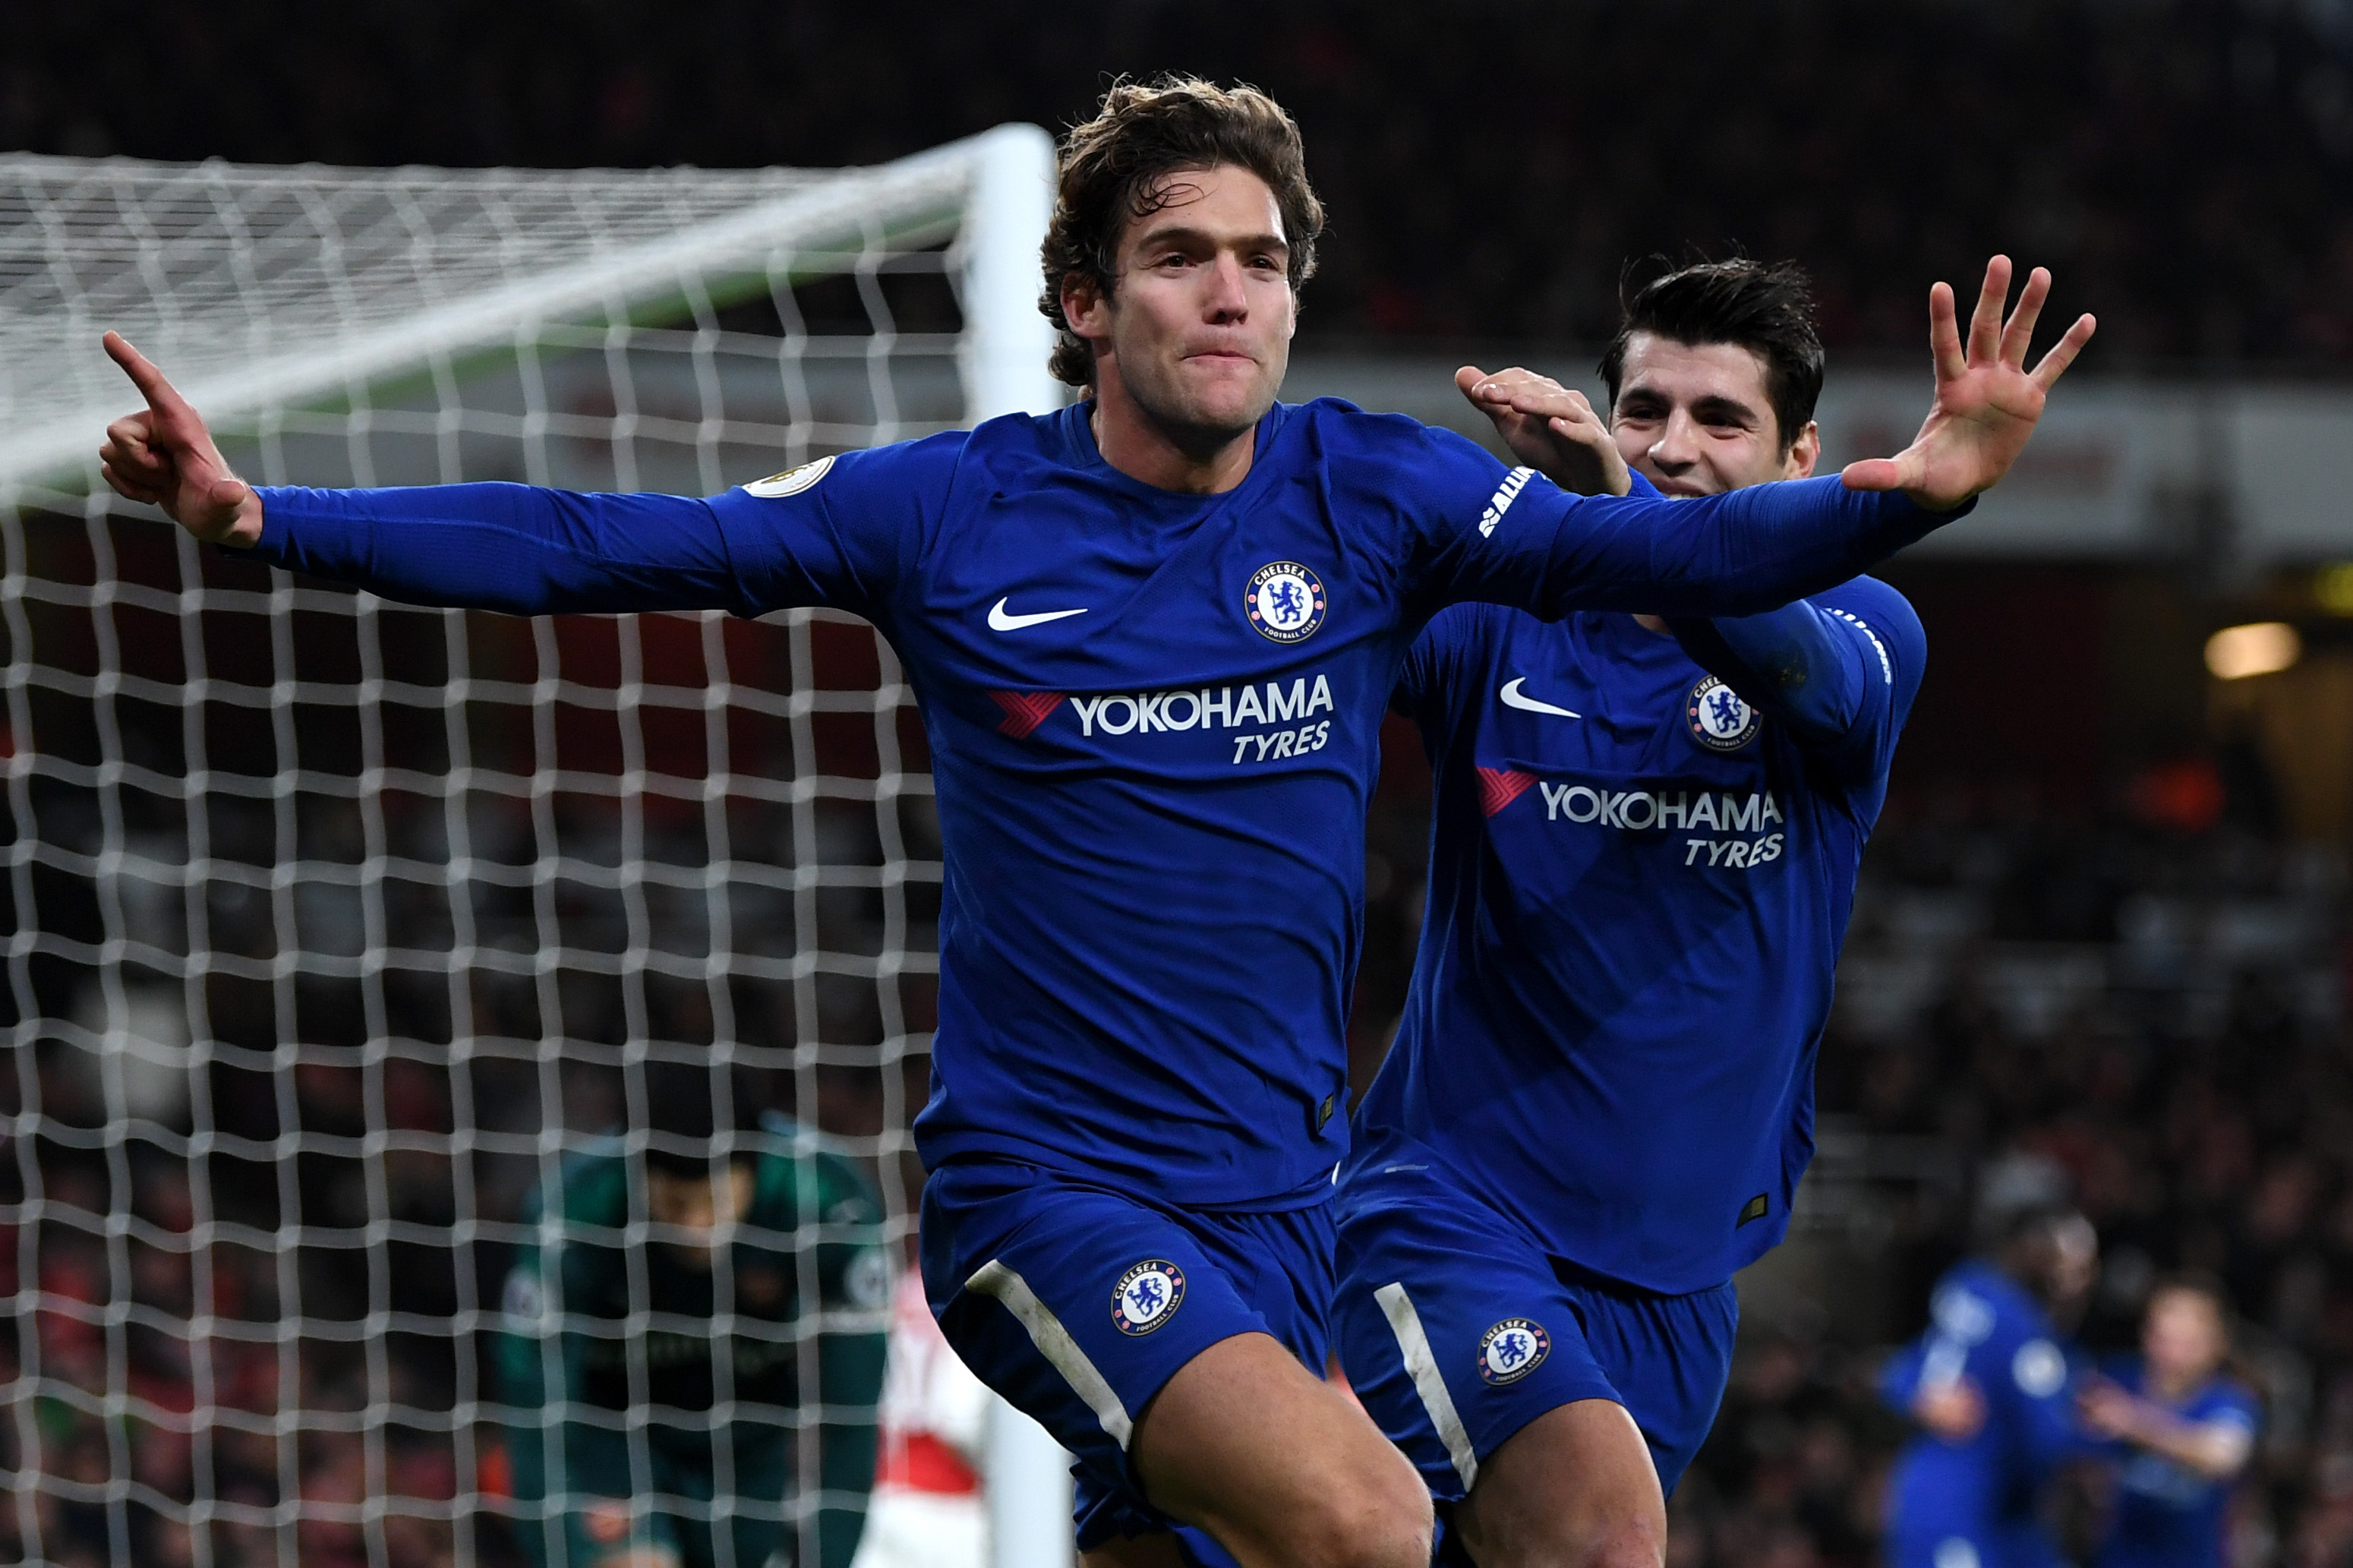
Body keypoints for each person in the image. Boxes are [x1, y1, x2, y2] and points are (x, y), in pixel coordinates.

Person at [97, 75, 2093, 1568]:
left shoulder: (1376, 500)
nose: (1228, 294)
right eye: (1177, 255)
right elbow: (610, 541)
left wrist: (1911, 494)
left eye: (1260, 260)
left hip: (1279, 1219)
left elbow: (1675, 553)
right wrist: (271, 518)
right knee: (1382, 1527)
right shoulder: (954, 513)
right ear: (1081, 297)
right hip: (1053, 1193)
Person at [1329, 255, 1926, 1568]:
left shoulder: (1863, 626)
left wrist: (1621, 529)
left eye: (1719, 420)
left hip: (1672, 1282)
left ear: (1800, 456)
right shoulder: (1495, 630)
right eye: (1643, 410)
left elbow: (1791, 667)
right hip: (1447, 1212)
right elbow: (1312, 622)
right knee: (1605, 1542)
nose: (1670, 446)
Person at [490, 1062, 891, 1568]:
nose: (696, 1226)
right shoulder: (573, 1212)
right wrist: (564, 1552)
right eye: (676, 1203)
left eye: (715, 1202)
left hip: (748, 1451)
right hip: (616, 1441)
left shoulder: (830, 1203)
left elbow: (853, 1414)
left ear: (753, 1170)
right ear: (640, 1176)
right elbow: (533, 1410)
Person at [1881, 1207, 2102, 1568]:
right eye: (2068, 1263)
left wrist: (1916, 1396)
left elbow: (1902, 1369)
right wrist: (2115, 1435)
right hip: (1967, 1503)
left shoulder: (1970, 1285)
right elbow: (2051, 1441)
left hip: (1989, 1509)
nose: (2076, 1279)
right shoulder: (2018, 1329)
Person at [2079, 1276, 2259, 1568]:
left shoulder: (2228, 1401)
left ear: (2217, 1344)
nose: (2171, 1354)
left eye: (2188, 1342)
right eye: (2162, 1337)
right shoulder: (2116, 1378)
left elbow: (2222, 1455)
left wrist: (2134, 1424)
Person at [849, 1271, 992, 1568]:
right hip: (954, 1505)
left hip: (889, 1495)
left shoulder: (896, 1287)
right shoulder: (968, 1290)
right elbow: (958, 1421)